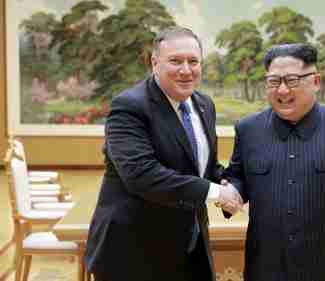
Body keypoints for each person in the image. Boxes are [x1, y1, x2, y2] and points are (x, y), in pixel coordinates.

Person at [84, 26, 242, 281]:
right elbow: (142, 175)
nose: (186, 70)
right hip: (133, 253)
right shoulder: (129, 106)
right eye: (175, 61)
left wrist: (230, 183)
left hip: (190, 246)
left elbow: (203, 167)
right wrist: (216, 192)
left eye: (193, 61)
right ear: (154, 63)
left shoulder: (204, 105)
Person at [223, 43, 325, 281]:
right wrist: (231, 191)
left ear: (316, 81)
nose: (282, 90)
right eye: (273, 81)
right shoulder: (249, 130)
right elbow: (237, 176)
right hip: (268, 267)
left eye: (292, 80)